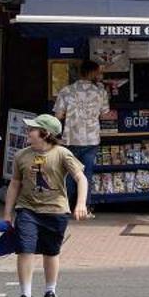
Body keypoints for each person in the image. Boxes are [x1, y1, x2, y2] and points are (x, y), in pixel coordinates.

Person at [0, 113, 90, 297]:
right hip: (27, 209)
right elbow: (15, 184)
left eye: (32, 129)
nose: (28, 132)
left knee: (51, 252)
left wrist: (81, 203)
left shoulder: (62, 154)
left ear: (45, 133)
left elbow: (81, 178)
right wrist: (7, 214)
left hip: (55, 210)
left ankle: (50, 292)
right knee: (25, 249)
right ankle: (25, 296)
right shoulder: (22, 155)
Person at [52, 59, 111, 208]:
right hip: (91, 139)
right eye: (98, 72)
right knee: (86, 174)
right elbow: (105, 115)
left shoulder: (66, 91)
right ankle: (85, 206)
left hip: (70, 139)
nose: (99, 74)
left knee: (70, 174)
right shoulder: (100, 92)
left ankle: (66, 205)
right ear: (93, 73)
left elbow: (58, 116)